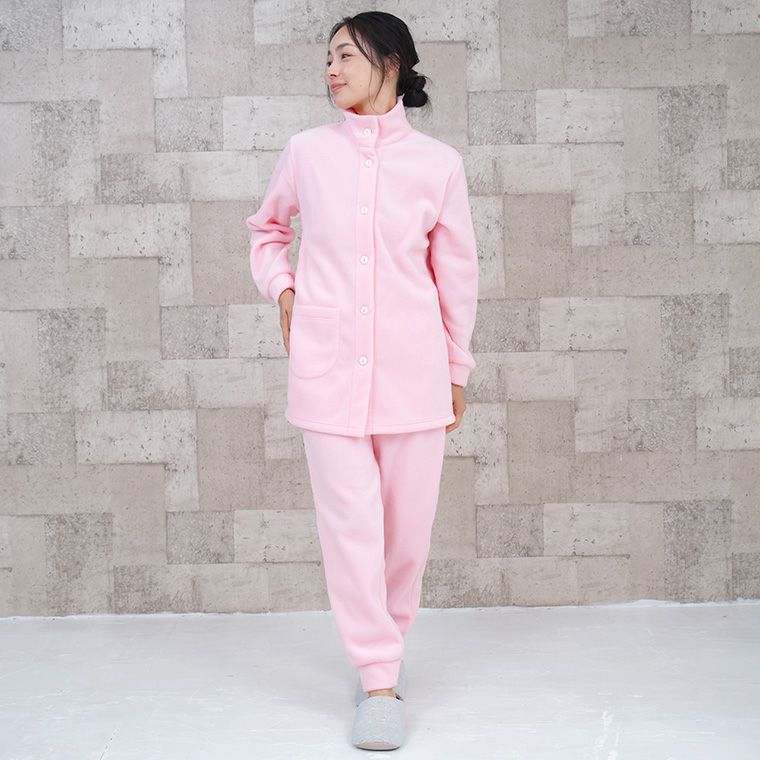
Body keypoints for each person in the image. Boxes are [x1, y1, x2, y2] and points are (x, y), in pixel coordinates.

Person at [245, 11, 479, 751]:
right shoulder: (307, 152)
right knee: (350, 530)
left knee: (404, 536)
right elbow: (267, 230)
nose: (332, 69)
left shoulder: (438, 165)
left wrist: (457, 367)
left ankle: (385, 654)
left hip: (415, 373)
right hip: (326, 373)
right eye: (328, 57)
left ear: (392, 62)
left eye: (346, 55)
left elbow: (456, 275)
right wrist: (284, 288)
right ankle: (379, 681)